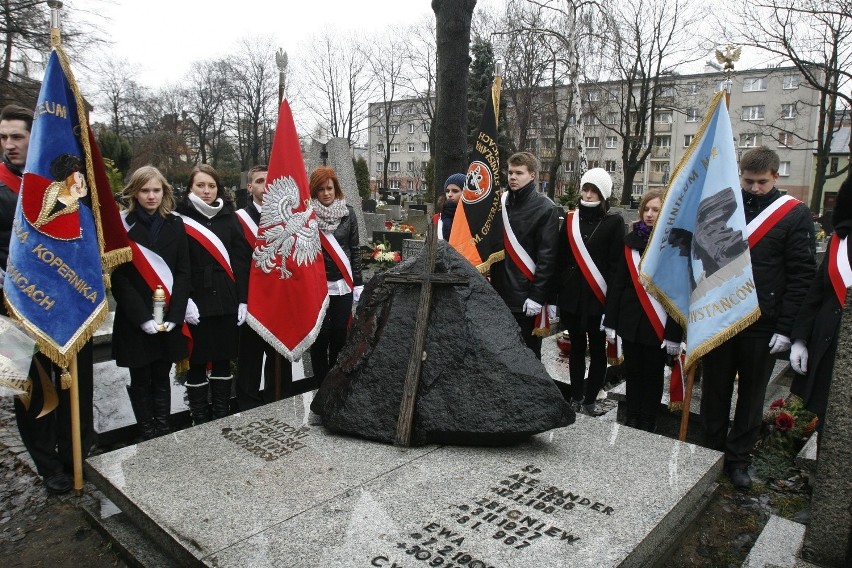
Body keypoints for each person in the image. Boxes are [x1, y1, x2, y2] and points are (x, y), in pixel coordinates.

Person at [700, 146, 815, 489]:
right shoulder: (726, 207)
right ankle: (709, 453)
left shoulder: (794, 214)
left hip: (762, 322)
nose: (754, 189)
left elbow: (801, 276)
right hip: (720, 316)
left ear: (776, 177)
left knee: (751, 396)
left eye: (761, 182)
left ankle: (738, 460)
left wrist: (786, 328)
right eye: (748, 181)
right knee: (714, 390)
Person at [2, 104, 95, 494]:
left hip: (71, 298)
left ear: (34, 137)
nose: (9, 145)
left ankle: (79, 453)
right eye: (3, 137)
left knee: (78, 382)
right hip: (16, 306)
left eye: (17, 136)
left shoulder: (68, 184)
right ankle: (49, 465)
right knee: (32, 391)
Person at [111, 166, 191, 439]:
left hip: (168, 314)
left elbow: (183, 271)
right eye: (145, 190)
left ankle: (163, 427)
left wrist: (176, 314)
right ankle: (146, 430)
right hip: (137, 318)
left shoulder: (175, 223)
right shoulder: (120, 225)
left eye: (156, 190)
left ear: (164, 192)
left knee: (161, 373)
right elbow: (119, 277)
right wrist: (142, 317)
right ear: (134, 192)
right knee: (140, 376)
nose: (151, 196)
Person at [176, 164, 251, 424]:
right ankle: (198, 415)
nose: (207, 191)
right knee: (196, 361)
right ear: (190, 188)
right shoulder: (179, 217)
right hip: (196, 300)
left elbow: (241, 260)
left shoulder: (229, 217)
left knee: (222, 359)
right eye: (200, 185)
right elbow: (176, 264)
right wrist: (184, 300)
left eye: (211, 186)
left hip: (227, 298)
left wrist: (243, 299)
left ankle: (220, 414)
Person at [603, 189, 681, 431]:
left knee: (653, 374)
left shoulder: (674, 245)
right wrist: (611, 321)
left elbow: (678, 292)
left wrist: (674, 334)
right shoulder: (631, 242)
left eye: (655, 210)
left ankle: (648, 419)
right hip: (631, 320)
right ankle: (632, 415)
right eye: (646, 209)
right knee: (633, 371)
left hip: (657, 322)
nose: (649, 214)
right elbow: (618, 284)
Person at [556, 168, 625, 415]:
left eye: (594, 191)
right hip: (572, 298)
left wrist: (612, 306)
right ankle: (575, 396)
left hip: (599, 298)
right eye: (585, 188)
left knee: (597, 350)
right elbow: (560, 258)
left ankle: (590, 400)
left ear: (603, 195)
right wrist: (557, 293)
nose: (587, 194)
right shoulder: (570, 220)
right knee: (575, 347)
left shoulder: (614, 223)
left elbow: (617, 267)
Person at [790, 176, 852, 436]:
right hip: (829, 343)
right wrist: (800, 339)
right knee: (829, 423)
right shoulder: (840, 241)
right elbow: (817, 293)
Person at [490, 151, 560, 359]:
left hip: (525, 298)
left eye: (519, 173)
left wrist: (537, 297)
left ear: (532, 175)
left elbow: (547, 258)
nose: (512, 177)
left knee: (527, 357)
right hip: (499, 292)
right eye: (510, 172)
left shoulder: (546, 208)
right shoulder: (500, 204)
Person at [235, 165, 293, 409]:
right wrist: (242, 299)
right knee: (250, 358)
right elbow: (237, 264)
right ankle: (248, 407)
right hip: (252, 301)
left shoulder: (286, 217)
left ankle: (278, 403)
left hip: (280, 300)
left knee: (280, 357)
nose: (265, 186)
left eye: (270, 181)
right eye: (259, 181)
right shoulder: (238, 219)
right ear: (250, 187)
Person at [309, 166, 363, 386]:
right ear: (314, 191)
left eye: (329, 188)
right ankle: (319, 385)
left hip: (343, 285)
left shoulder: (348, 214)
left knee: (339, 336)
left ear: (336, 189)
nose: (326, 193)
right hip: (318, 288)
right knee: (320, 338)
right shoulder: (307, 216)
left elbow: (355, 249)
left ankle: (335, 385)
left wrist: (358, 283)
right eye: (320, 189)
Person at [436, 173, 465, 240]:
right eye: (447, 191)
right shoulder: (436, 219)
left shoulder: (471, 218)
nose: (449, 194)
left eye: (455, 191)